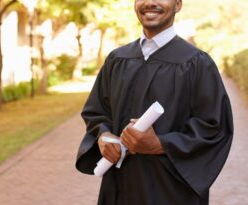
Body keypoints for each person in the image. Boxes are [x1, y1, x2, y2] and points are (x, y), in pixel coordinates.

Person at [75, 0, 233, 204]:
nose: (150, 2)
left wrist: (159, 144)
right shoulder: (117, 59)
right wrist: (104, 136)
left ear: (177, 4)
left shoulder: (197, 63)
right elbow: (97, 112)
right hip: (119, 187)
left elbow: (214, 128)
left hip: (171, 191)